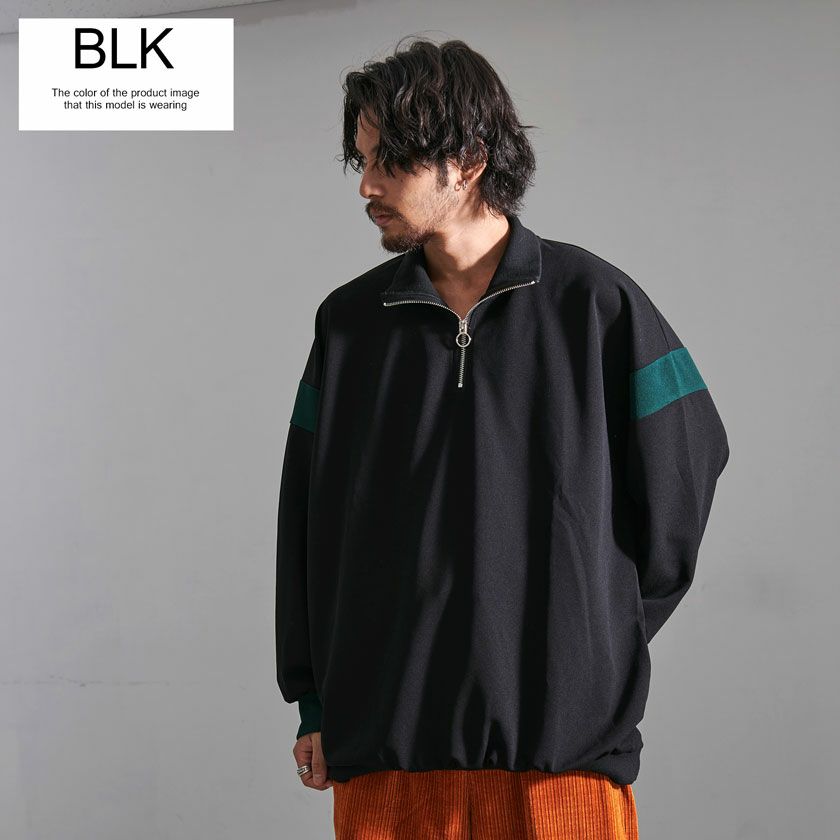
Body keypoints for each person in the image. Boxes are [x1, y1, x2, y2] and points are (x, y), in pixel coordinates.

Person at [275, 36, 729, 840]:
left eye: (390, 163)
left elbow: (685, 476)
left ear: (469, 161)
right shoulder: (348, 326)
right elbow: (306, 521)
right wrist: (312, 697)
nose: (368, 186)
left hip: (561, 762)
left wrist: (592, 639)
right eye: (363, 162)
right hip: (387, 755)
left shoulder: (597, 307)